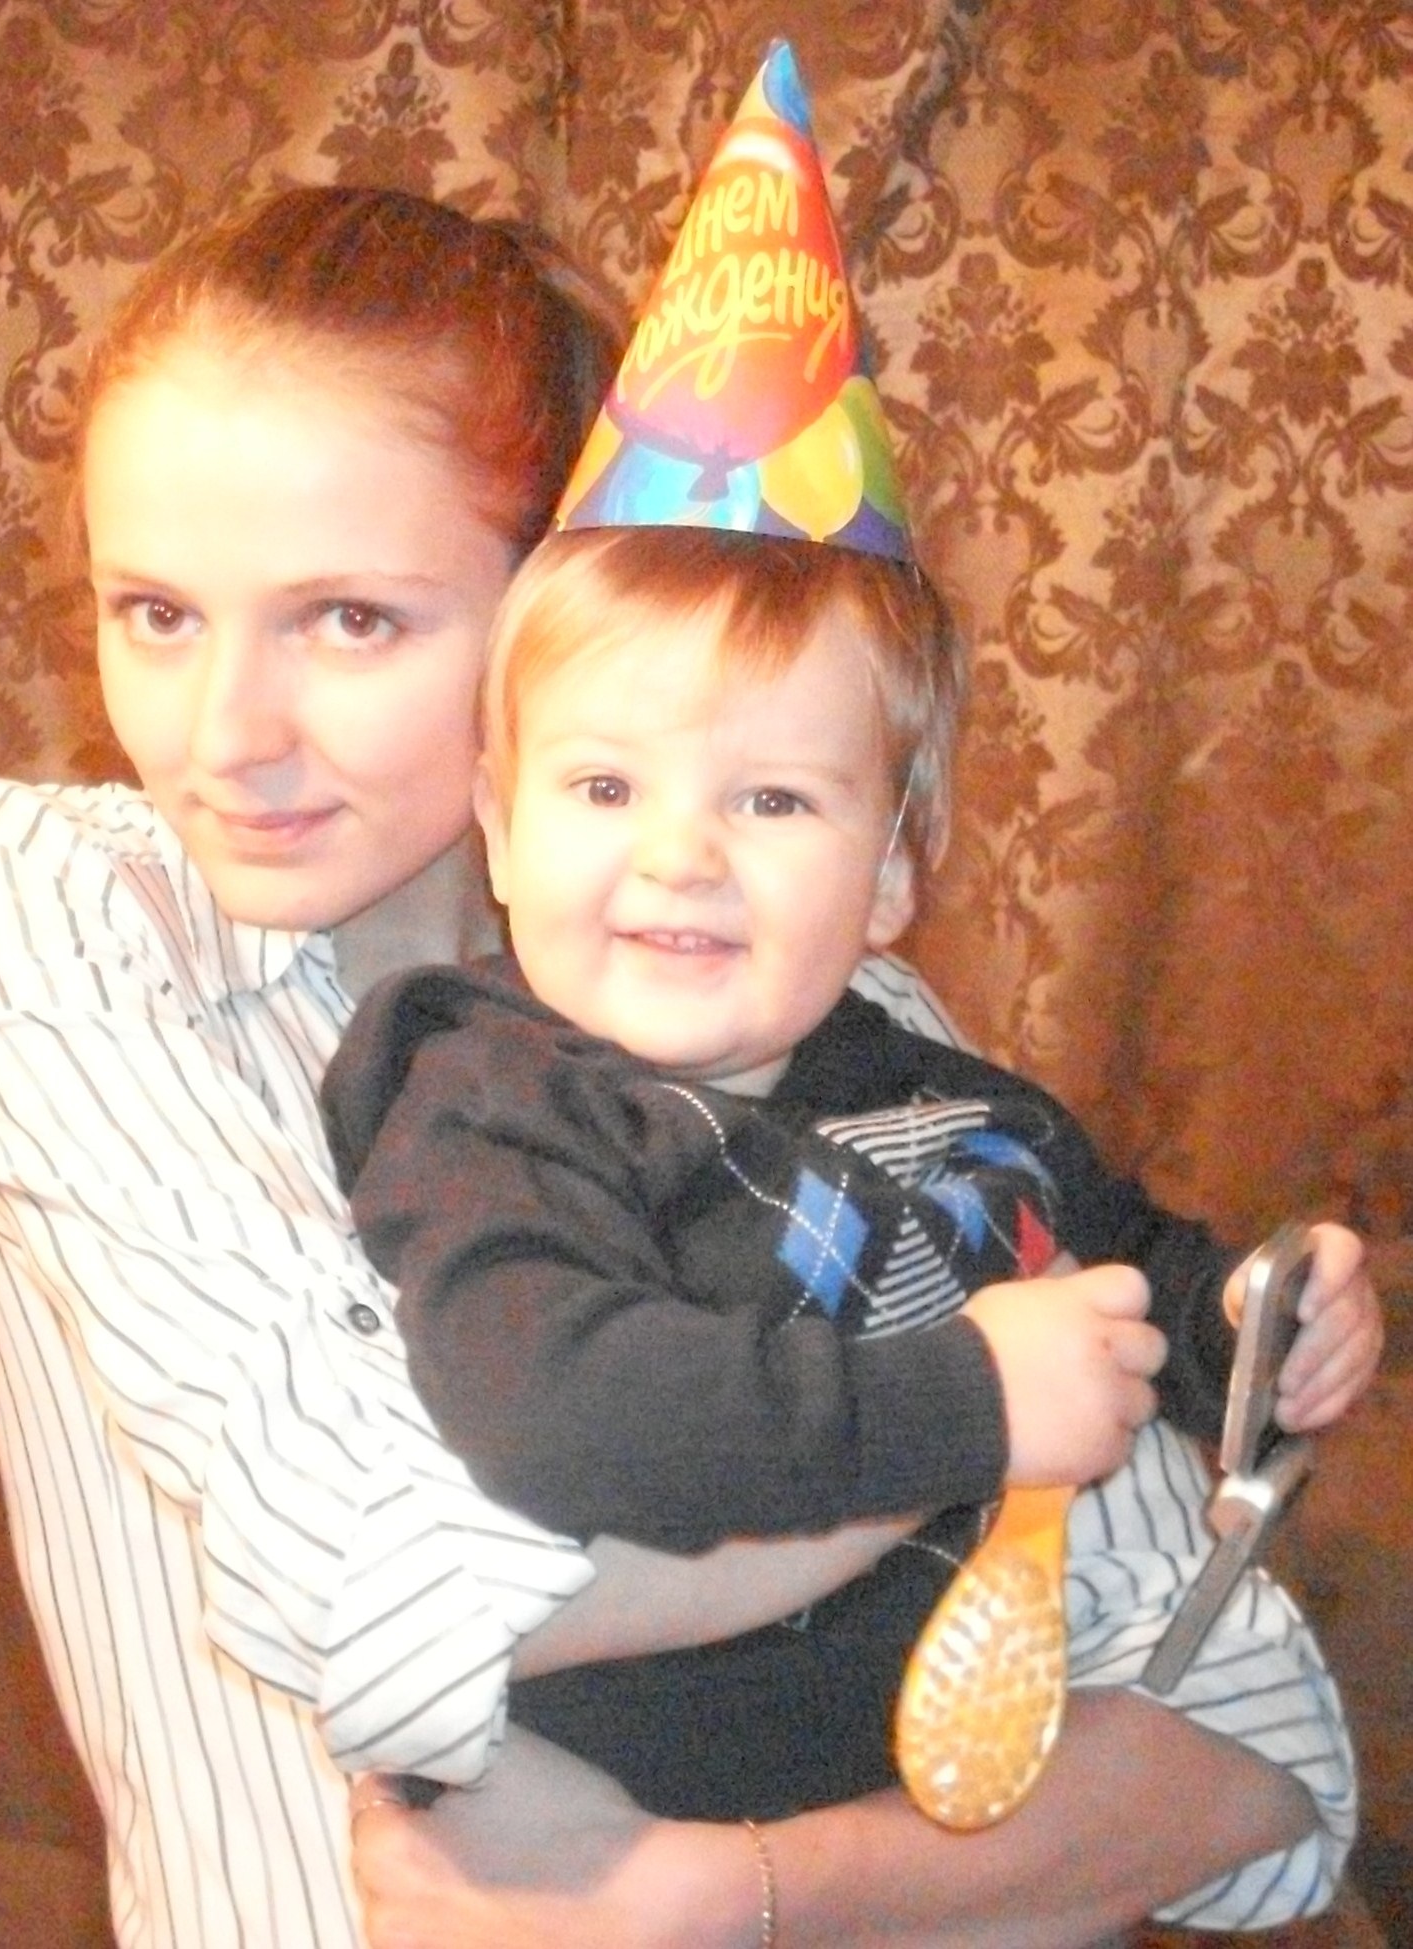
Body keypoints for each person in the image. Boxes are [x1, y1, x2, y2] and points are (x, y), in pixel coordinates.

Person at [0, 178, 1370, 1949]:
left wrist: (730, 1894)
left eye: (350, 619)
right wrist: (985, 1405)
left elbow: (1250, 1746)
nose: (223, 739)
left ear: (567, 608)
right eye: (155, 611)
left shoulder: (848, 1023)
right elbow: (388, 1586)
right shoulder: (45, 897)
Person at [321, 515, 1380, 1839]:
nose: (679, 856)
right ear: (499, 825)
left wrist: (1255, 1327)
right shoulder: (499, 1103)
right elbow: (557, 1407)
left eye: (771, 800)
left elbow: (1128, 1278)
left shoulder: (957, 1101)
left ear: (888, 873)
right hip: (647, 1829)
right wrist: (975, 1399)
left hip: (970, 1817)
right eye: (603, 787)